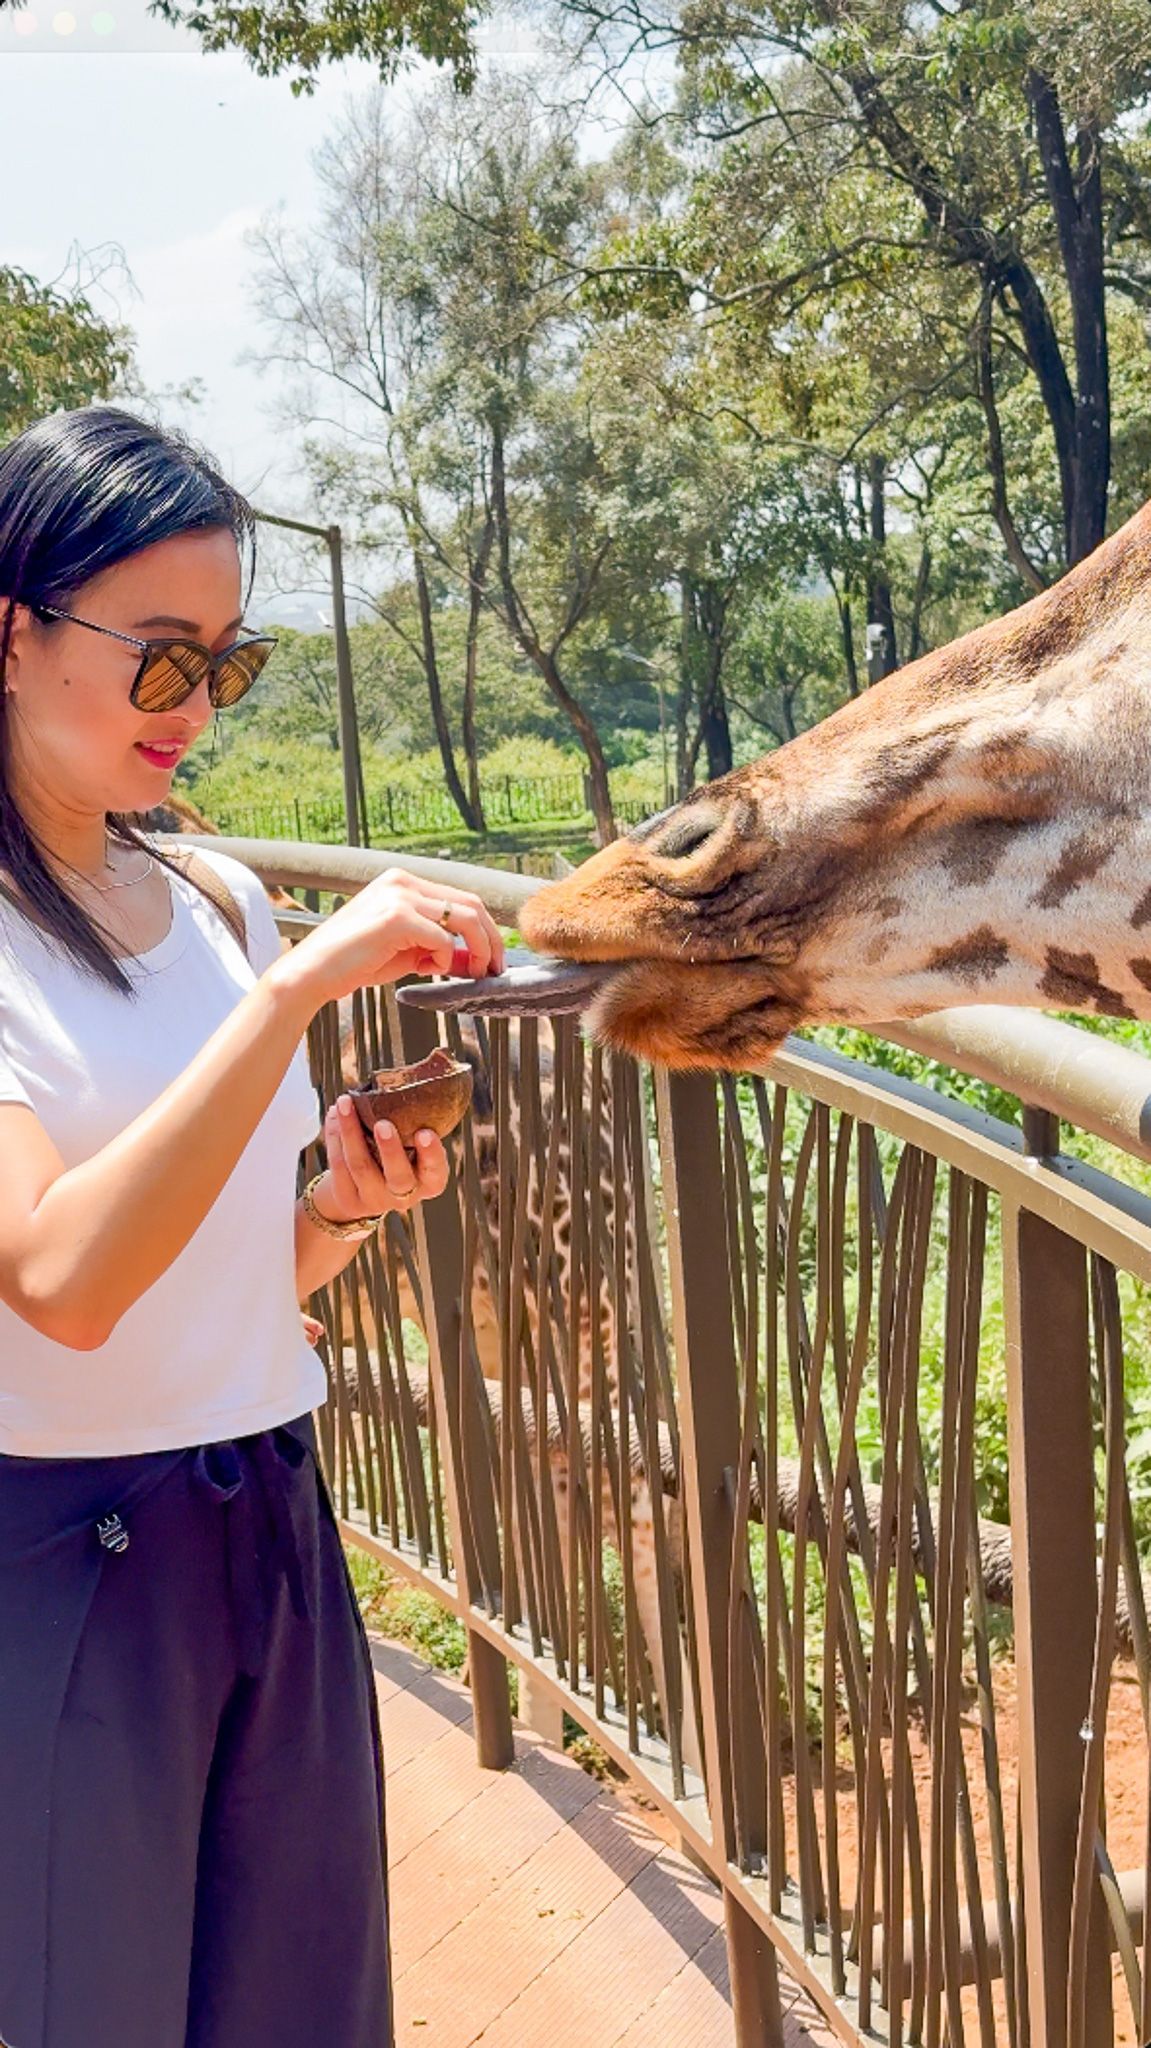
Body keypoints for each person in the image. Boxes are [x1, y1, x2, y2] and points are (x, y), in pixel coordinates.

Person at [0, 405, 504, 2048]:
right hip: (64, 1559)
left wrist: (341, 1219)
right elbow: (64, 1286)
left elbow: (219, 1287)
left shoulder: (215, 900)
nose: (195, 707)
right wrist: (294, 995)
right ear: (12, 631)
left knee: (303, 2004)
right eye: (159, 658)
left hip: (268, 1507)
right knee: (89, 2006)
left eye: (227, 663)